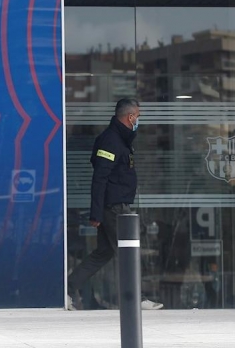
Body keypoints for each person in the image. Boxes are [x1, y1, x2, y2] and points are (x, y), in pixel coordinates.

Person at [66, 98, 163, 311]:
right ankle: (137, 298)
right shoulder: (111, 141)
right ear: (130, 117)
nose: (138, 120)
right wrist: (96, 213)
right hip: (114, 208)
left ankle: (69, 287)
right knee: (127, 252)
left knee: (104, 252)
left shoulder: (121, 139)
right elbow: (100, 177)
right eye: (137, 116)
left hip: (116, 206)